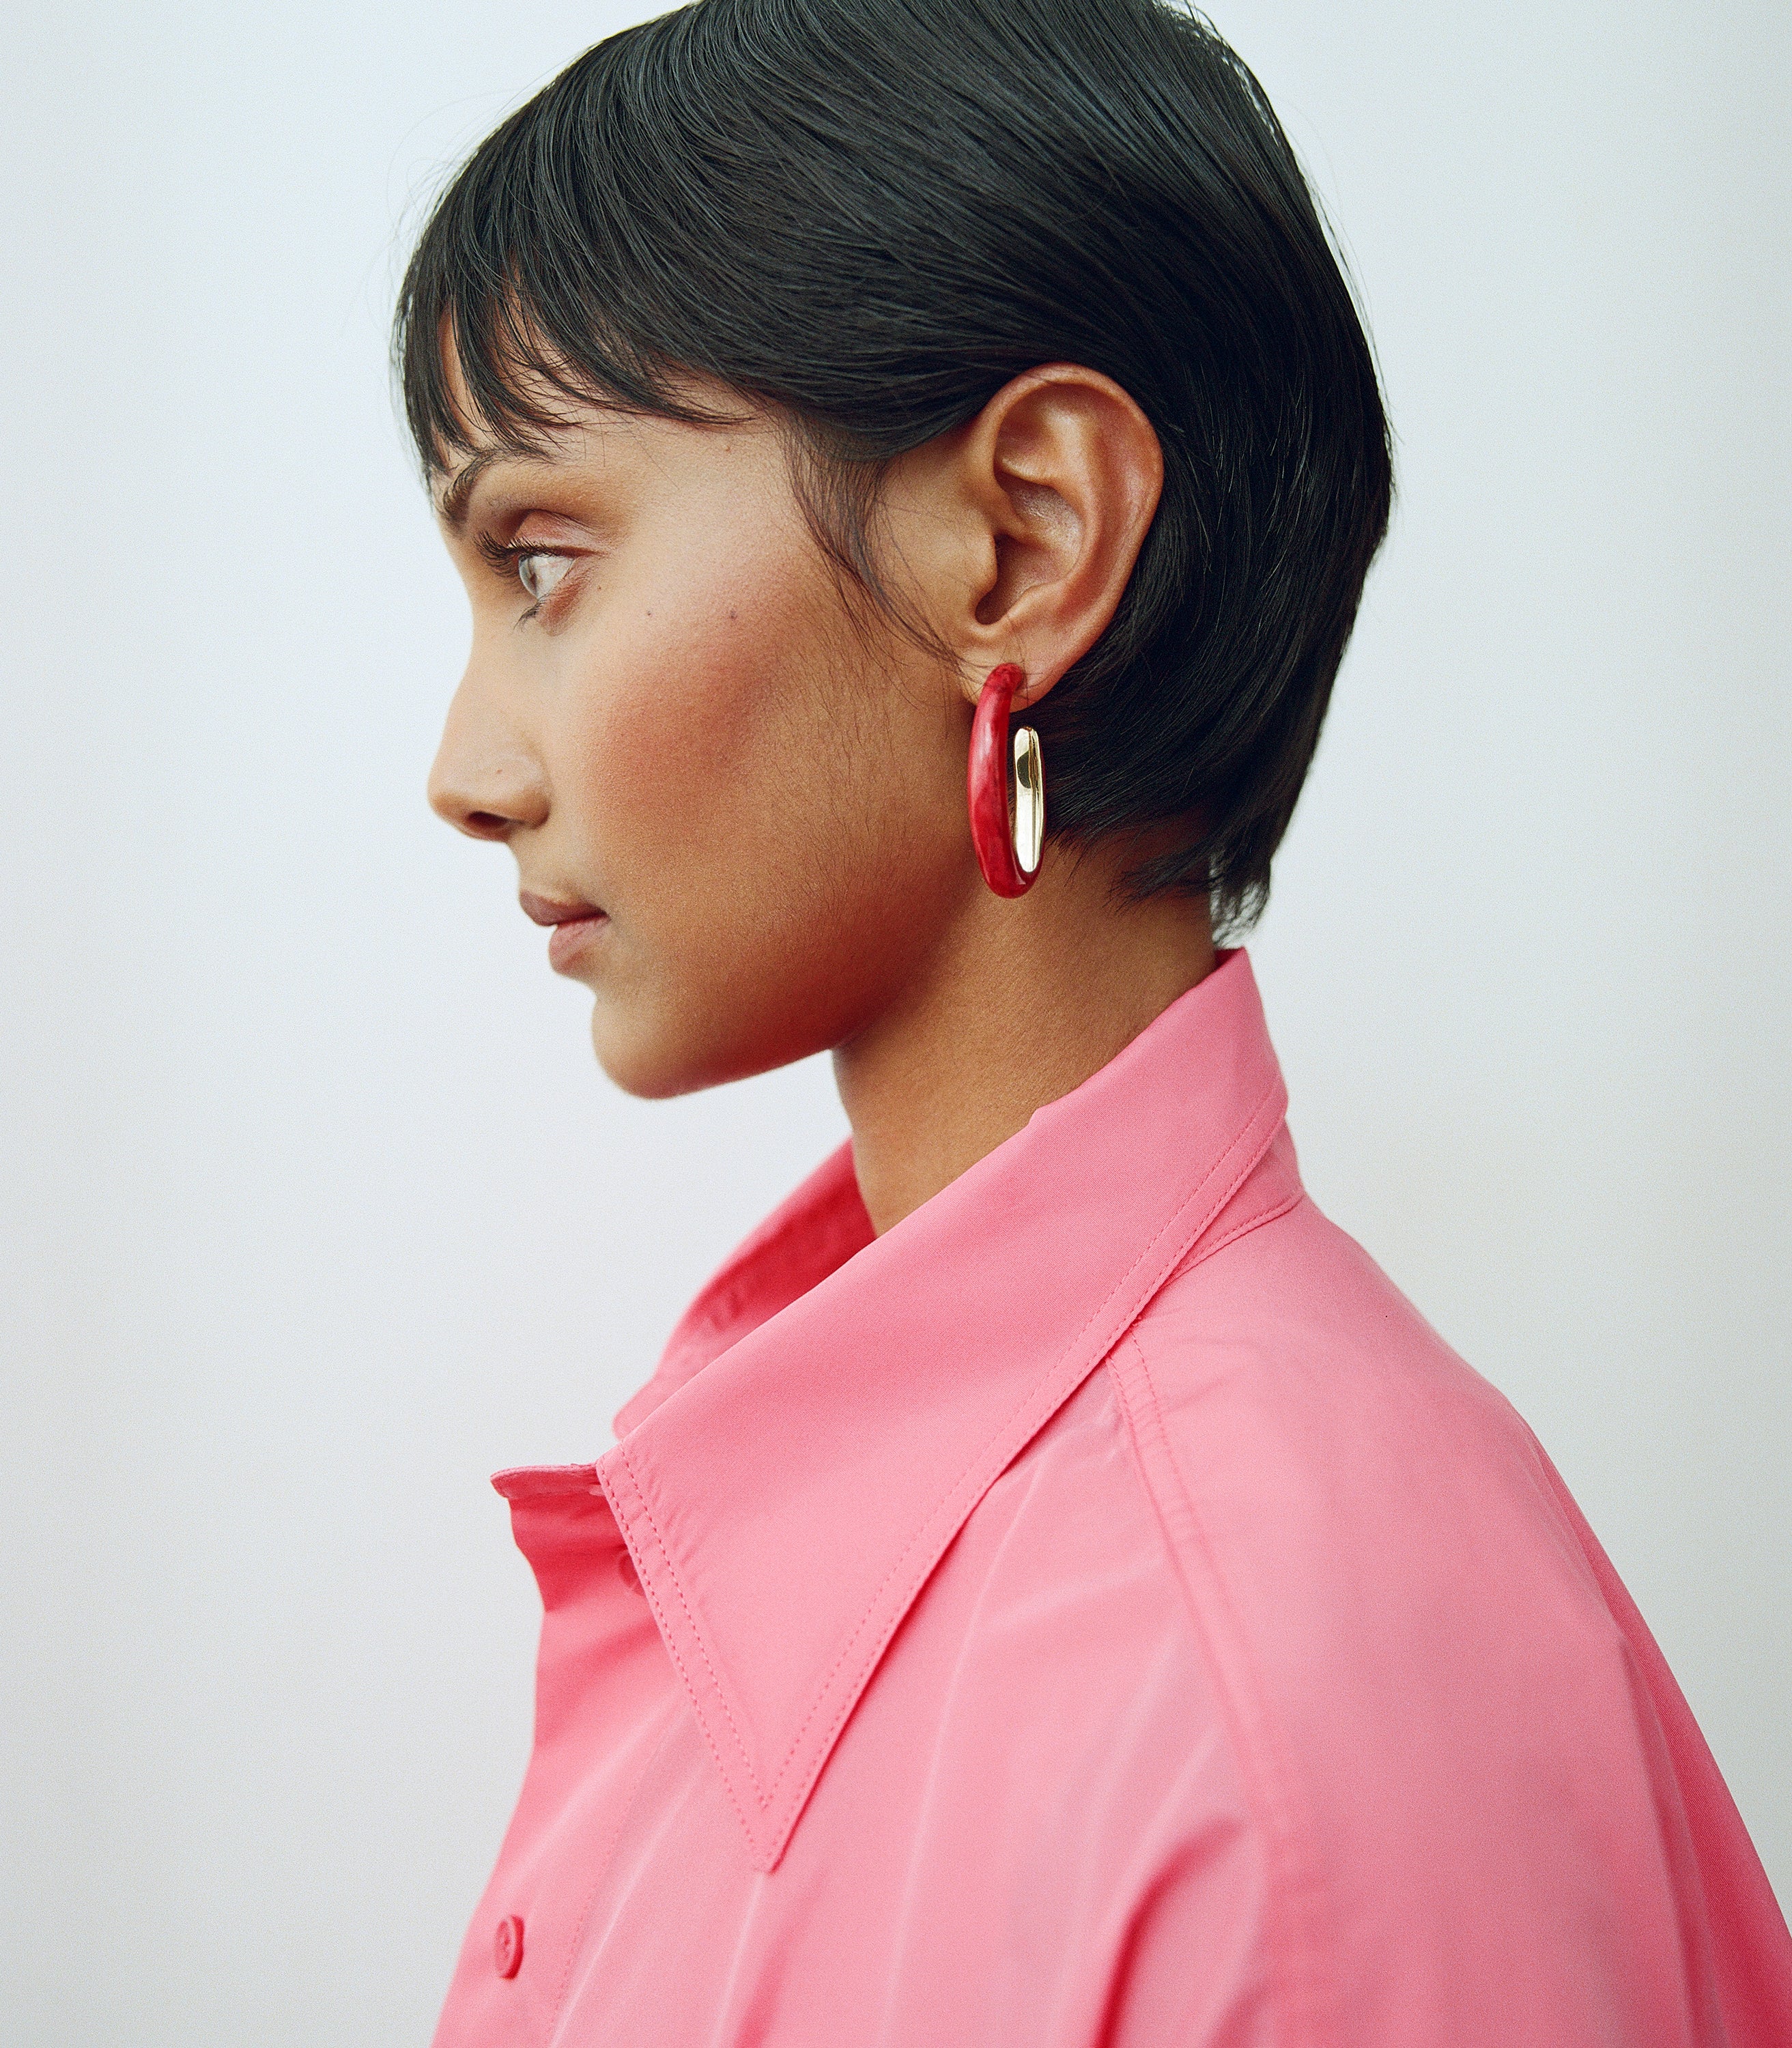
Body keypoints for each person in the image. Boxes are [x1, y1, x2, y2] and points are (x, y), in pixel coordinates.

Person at [398, 1, 1792, 2040]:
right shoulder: (955, 1555)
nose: (464, 769)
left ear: (1024, 543)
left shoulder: (1281, 1725)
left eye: (542, 560)